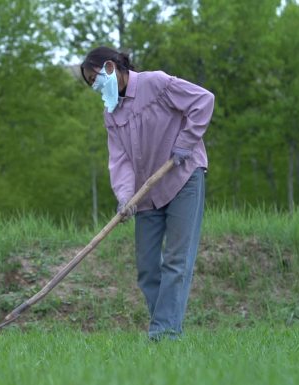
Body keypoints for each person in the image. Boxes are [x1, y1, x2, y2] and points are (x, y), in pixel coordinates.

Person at [80, 47, 214, 341]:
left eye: (95, 78)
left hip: (182, 178)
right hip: (146, 193)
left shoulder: (156, 83)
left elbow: (203, 100)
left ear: (111, 67)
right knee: (147, 268)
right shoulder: (111, 111)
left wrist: (186, 141)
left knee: (176, 261)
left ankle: (163, 335)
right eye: (91, 83)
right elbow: (120, 160)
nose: (95, 86)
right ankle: (165, 327)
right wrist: (125, 197)